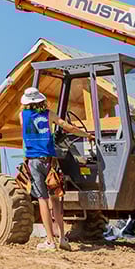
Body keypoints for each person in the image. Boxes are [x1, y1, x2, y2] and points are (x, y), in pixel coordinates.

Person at [20, 87, 93, 252]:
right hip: (50, 162)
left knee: (42, 200)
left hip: (33, 161)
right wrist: (87, 135)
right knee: (56, 200)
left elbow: (25, 137)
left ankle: (49, 241)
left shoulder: (22, 116)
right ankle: (62, 239)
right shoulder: (49, 114)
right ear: (41, 100)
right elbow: (68, 127)